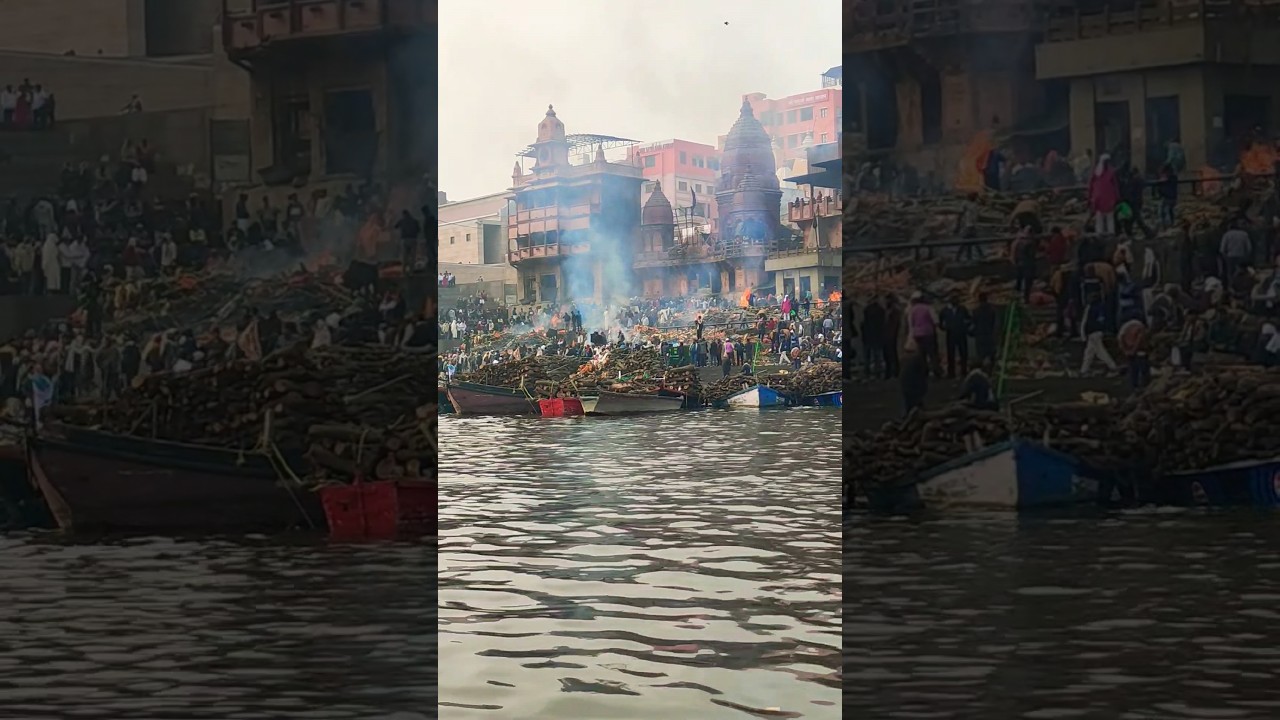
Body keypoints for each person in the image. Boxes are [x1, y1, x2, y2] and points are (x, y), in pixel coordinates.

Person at [1080, 293, 1117, 375]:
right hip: (1099, 331)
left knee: (1100, 352)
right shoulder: (1102, 307)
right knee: (1089, 352)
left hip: (1092, 332)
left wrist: (1083, 335)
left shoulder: (1090, 307)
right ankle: (1084, 369)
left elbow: (1085, 322)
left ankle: (1112, 366)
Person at [906, 291, 940, 376]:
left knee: (921, 355)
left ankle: (923, 372)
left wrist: (911, 335)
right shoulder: (928, 308)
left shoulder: (912, 310)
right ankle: (936, 372)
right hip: (929, 334)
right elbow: (936, 321)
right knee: (932, 354)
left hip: (918, 334)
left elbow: (910, 323)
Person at [939, 295, 971, 379]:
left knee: (963, 353)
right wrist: (944, 328)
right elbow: (940, 321)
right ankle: (951, 372)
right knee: (951, 354)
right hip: (951, 334)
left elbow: (969, 319)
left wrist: (965, 327)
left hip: (961, 333)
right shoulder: (945, 310)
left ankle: (964, 371)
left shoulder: (962, 309)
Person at [1088, 154, 1120, 235]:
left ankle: (1109, 233)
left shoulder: (1109, 172)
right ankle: (1101, 233)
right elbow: (1091, 186)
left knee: (1107, 217)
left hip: (1106, 199)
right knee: (1101, 217)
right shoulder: (1097, 173)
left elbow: (1115, 186)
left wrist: (1116, 197)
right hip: (1100, 199)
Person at [861, 296, 885, 377]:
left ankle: (867, 372)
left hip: (868, 335)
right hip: (877, 335)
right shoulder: (881, 310)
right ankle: (877, 372)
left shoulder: (867, 310)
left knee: (867, 355)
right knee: (877, 355)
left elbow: (863, 323)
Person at [971, 292, 998, 364]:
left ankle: (982, 370)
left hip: (980, 336)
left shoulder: (975, 311)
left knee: (981, 356)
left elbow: (974, 323)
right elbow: (994, 323)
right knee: (991, 355)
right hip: (989, 335)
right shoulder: (992, 310)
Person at [900, 348, 928, 416]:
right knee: (914, 402)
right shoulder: (918, 359)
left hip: (907, 386)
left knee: (909, 402)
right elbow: (924, 372)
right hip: (914, 386)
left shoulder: (906, 360)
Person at [883, 294, 902, 379]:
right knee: (890, 354)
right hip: (889, 334)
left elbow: (893, 324)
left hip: (891, 335)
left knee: (891, 354)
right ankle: (891, 372)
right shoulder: (890, 310)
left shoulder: (894, 311)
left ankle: (893, 372)